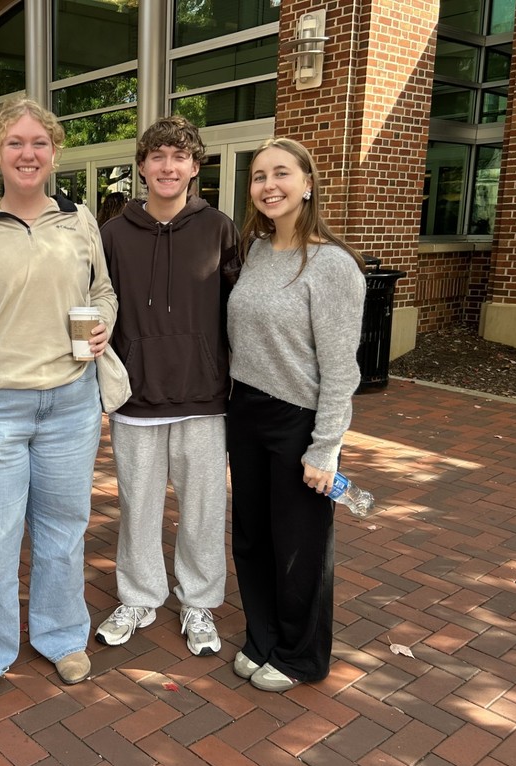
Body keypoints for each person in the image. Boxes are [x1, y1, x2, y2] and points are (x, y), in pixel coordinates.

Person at [0, 97, 117, 700]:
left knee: (64, 528)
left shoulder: (79, 219)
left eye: (38, 142)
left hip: (70, 402)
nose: (27, 153)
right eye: (14, 142)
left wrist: (104, 327)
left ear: (54, 152)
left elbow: (103, 291)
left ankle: (62, 636)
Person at [227, 137, 366, 692]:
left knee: (299, 547)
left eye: (281, 173)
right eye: (259, 176)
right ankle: (262, 637)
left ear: (307, 183)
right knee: (253, 537)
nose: (268, 186)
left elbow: (341, 370)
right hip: (246, 410)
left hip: (298, 419)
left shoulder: (332, 266)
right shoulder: (258, 250)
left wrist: (325, 446)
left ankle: (301, 655)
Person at [95, 116, 237, 656]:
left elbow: (238, 310)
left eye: (179, 157)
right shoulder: (112, 233)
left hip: (204, 394)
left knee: (203, 506)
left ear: (195, 167)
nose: (168, 166)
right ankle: (139, 596)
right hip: (136, 396)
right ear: (142, 166)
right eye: (158, 156)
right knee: (138, 504)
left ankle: (198, 602)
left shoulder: (219, 228)